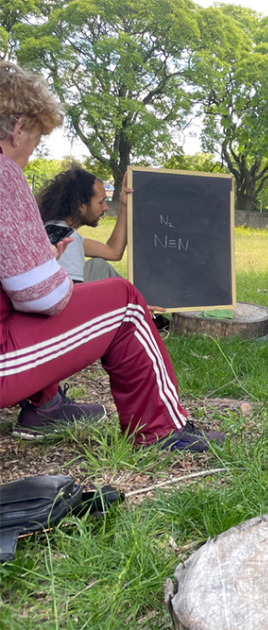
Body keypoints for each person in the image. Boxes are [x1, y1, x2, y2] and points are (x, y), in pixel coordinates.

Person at [0, 61, 222, 451]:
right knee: (126, 302)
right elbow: (45, 298)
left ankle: (46, 404)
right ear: (18, 128)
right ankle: (160, 429)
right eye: (35, 141)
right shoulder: (4, 173)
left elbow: (112, 252)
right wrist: (48, 269)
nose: (30, 156)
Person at [37, 165, 128, 283]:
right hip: (69, 299)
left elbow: (113, 252)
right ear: (80, 205)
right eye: (101, 202)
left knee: (99, 266)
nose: (105, 207)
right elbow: (72, 295)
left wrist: (124, 206)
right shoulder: (68, 240)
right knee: (111, 277)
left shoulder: (54, 229)